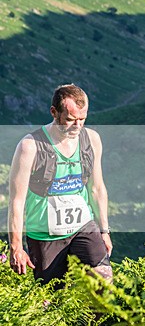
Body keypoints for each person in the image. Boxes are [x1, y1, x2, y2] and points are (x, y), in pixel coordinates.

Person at [7, 84, 112, 287]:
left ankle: (95, 320)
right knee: (51, 296)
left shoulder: (92, 139)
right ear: (54, 112)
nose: (77, 126)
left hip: (83, 225)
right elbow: (16, 201)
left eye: (82, 119)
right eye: (71, 120)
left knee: (102, 278)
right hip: (45, 233)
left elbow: (97, 188)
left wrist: (104, 231)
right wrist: (16, 246)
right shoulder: (30, 146)